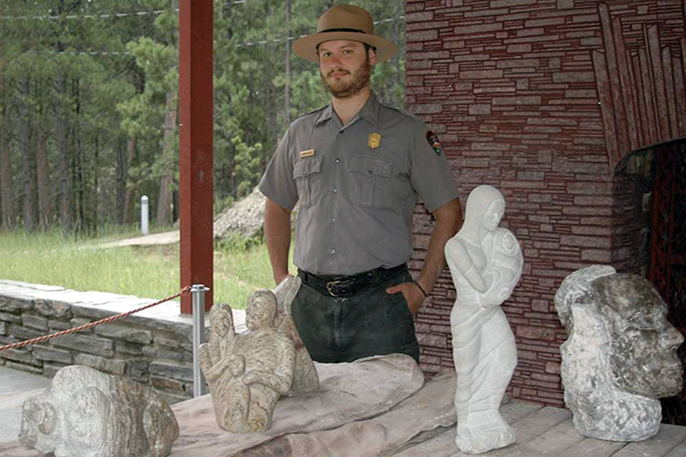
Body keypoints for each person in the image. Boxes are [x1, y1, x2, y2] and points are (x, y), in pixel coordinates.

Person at [258, 4, 461, 364]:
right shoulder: (299, 133)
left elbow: (448, 212)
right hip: (309, 308)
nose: (335, 63)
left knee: (392, 415)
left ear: (372, 56)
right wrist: (281, 281)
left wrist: (423, 288)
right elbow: (276, 204)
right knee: (308, 414)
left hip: (381, 307)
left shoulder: (409, 134)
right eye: (326, 55)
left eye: (347, 52)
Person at [445, 185, 522, 454]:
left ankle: (487, 413)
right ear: (478, 211)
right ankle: (467, 423)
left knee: (505, 357)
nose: (497, 218)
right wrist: (495, 282)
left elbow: (508, 271)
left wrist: (503, 275)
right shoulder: (455, 245)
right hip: (468, 314)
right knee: (467, 373)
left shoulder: (493, 239)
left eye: (500, 212)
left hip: (490, 312)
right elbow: (479, 284)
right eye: (492, 212)